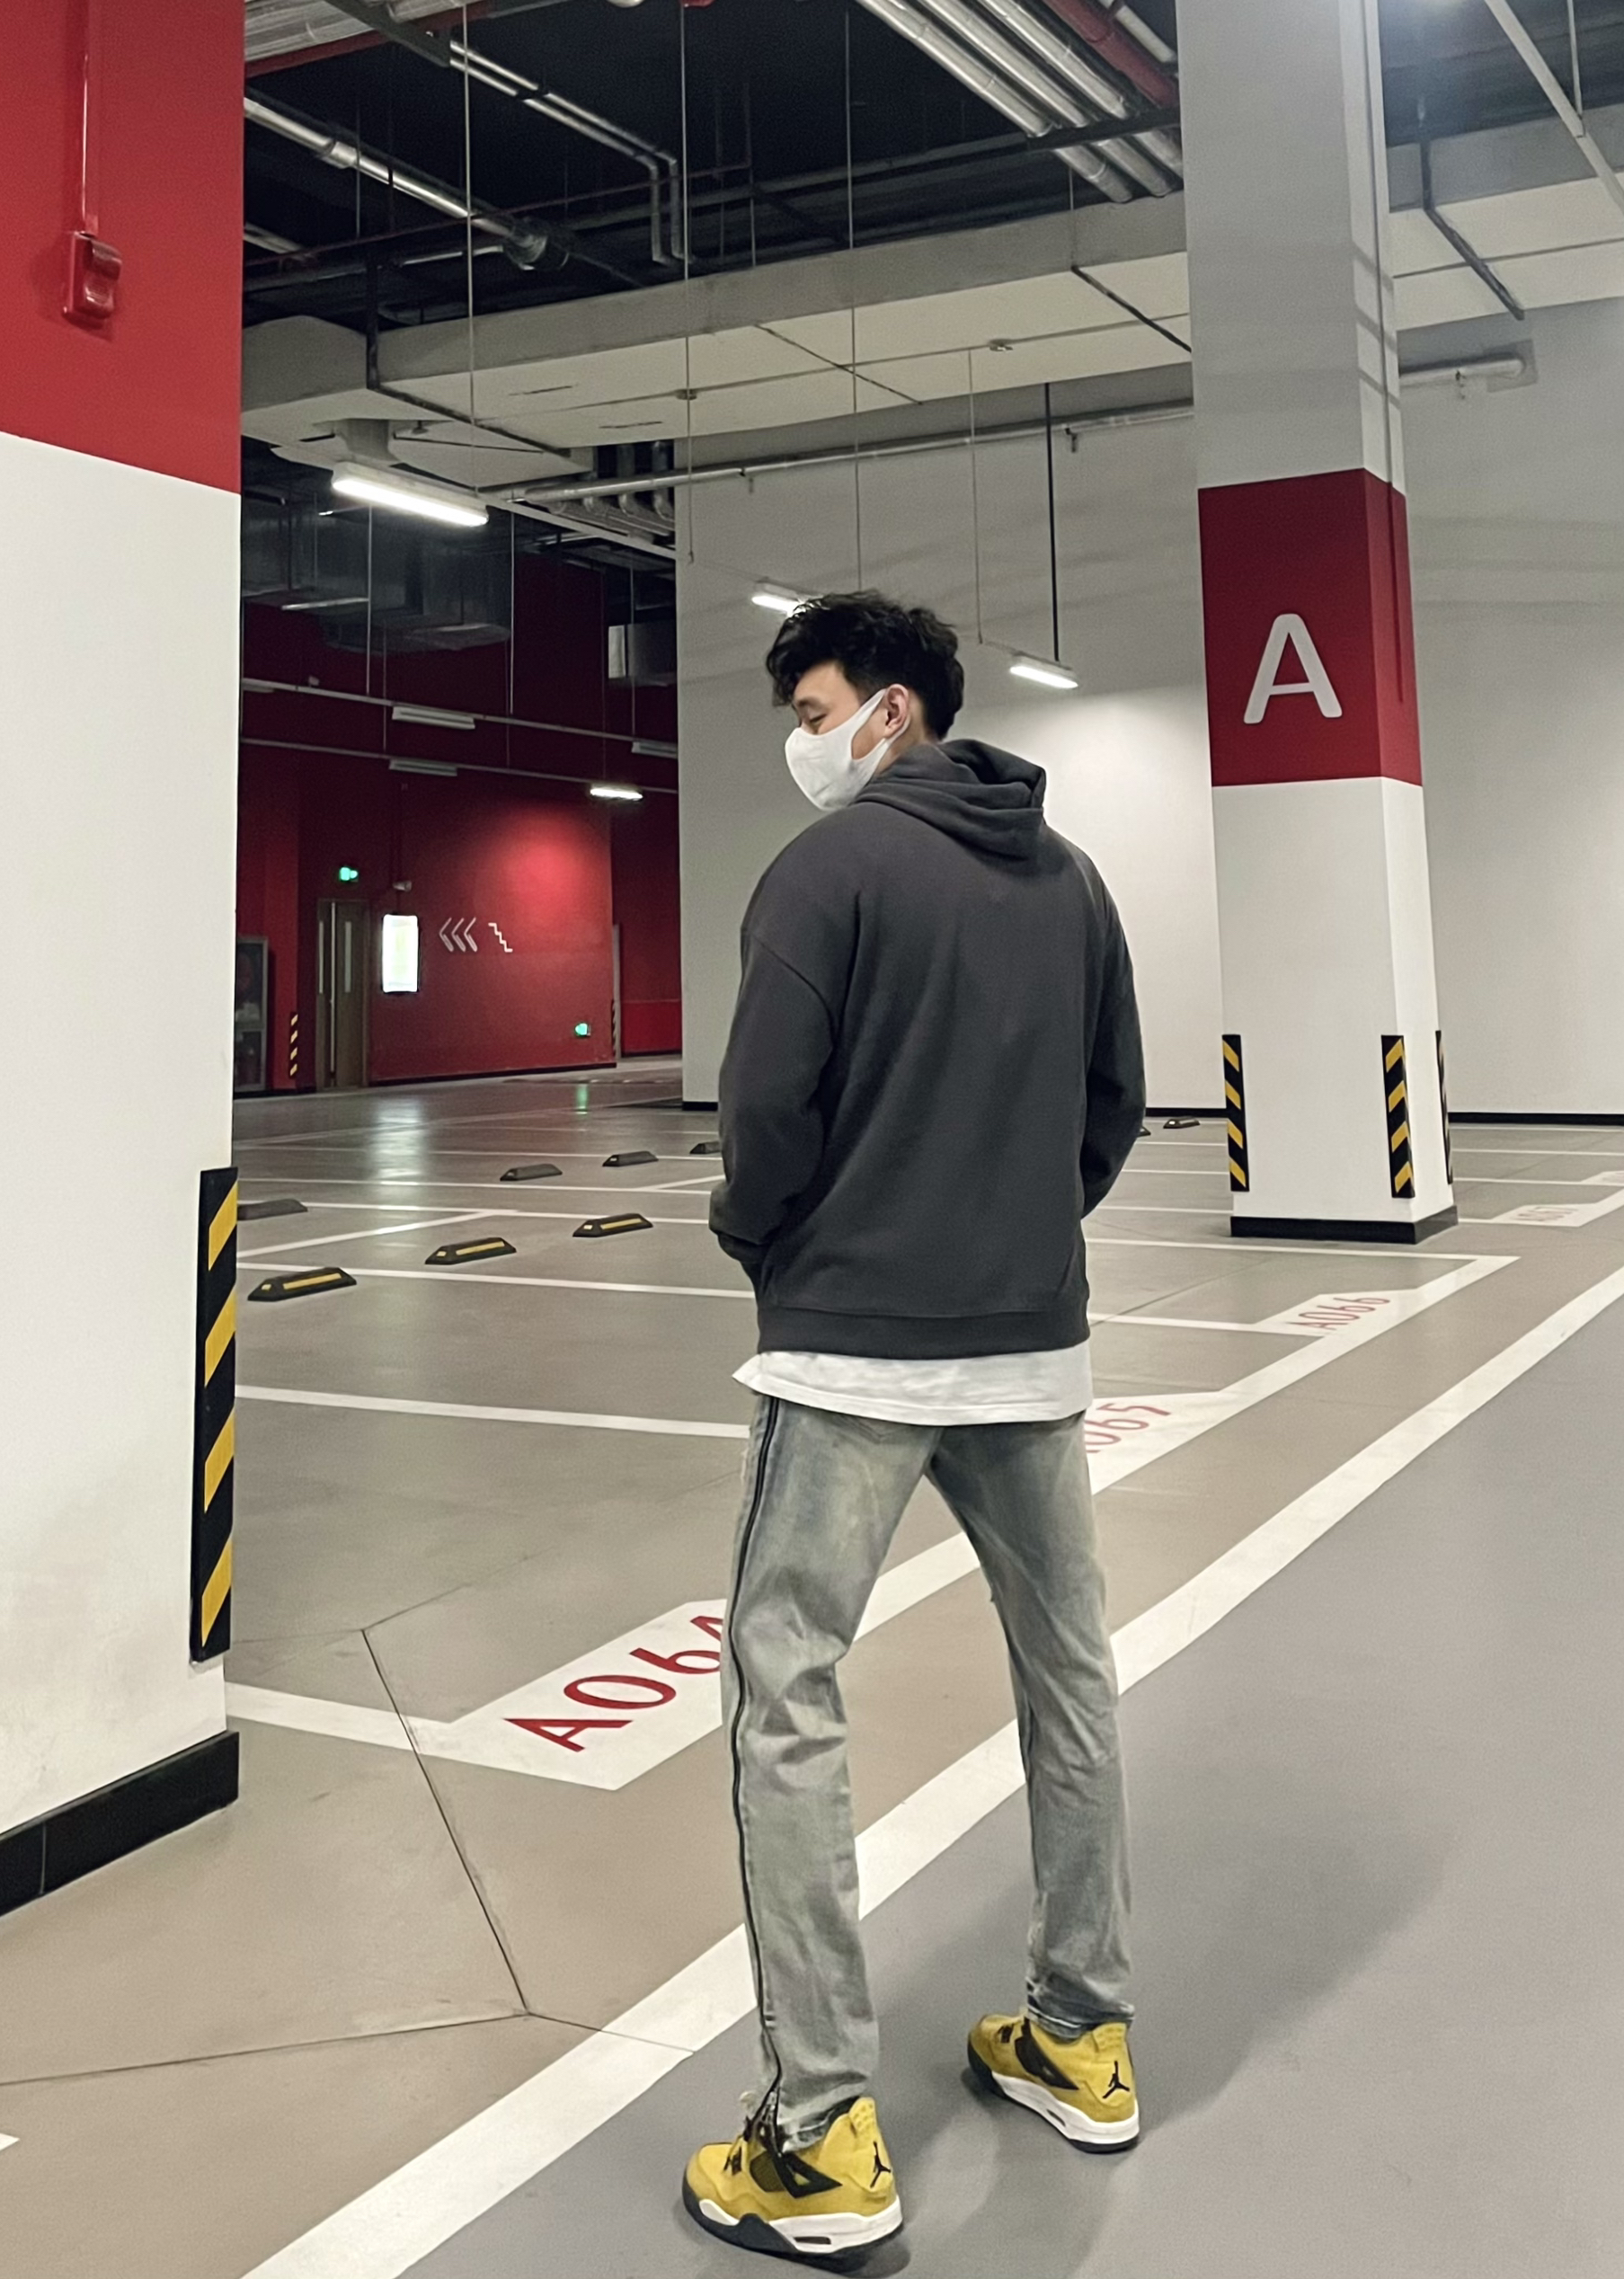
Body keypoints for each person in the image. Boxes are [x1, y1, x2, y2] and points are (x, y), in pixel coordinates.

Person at [684, 591, 1147, 2266]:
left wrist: (769, 1241)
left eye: (812, 709)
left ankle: (819, 2133)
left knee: (787, 1692)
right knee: (1068, 1672)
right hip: (1029, 1351)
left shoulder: (829, 874)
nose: (801, 742)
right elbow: (1111, 1109)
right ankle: (1080, 2035)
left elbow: (764, 1111)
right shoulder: (1073, 880)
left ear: (890, 711)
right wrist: (1016, 1234)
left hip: (853, 1356)